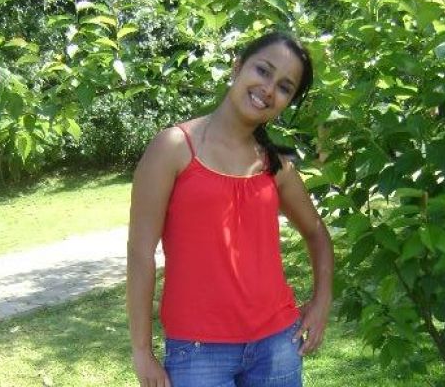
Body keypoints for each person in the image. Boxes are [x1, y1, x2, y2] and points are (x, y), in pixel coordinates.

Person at [127, 31, 334, 387]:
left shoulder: (274, 166)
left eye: (285, 87)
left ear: (287, 102)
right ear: (237, 67)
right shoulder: (174, 147)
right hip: (198, 352)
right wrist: (142, 350)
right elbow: (140, 253)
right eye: (263, 71)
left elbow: (317, 233)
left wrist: (321, 302)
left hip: (277, 345)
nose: (268, 89)